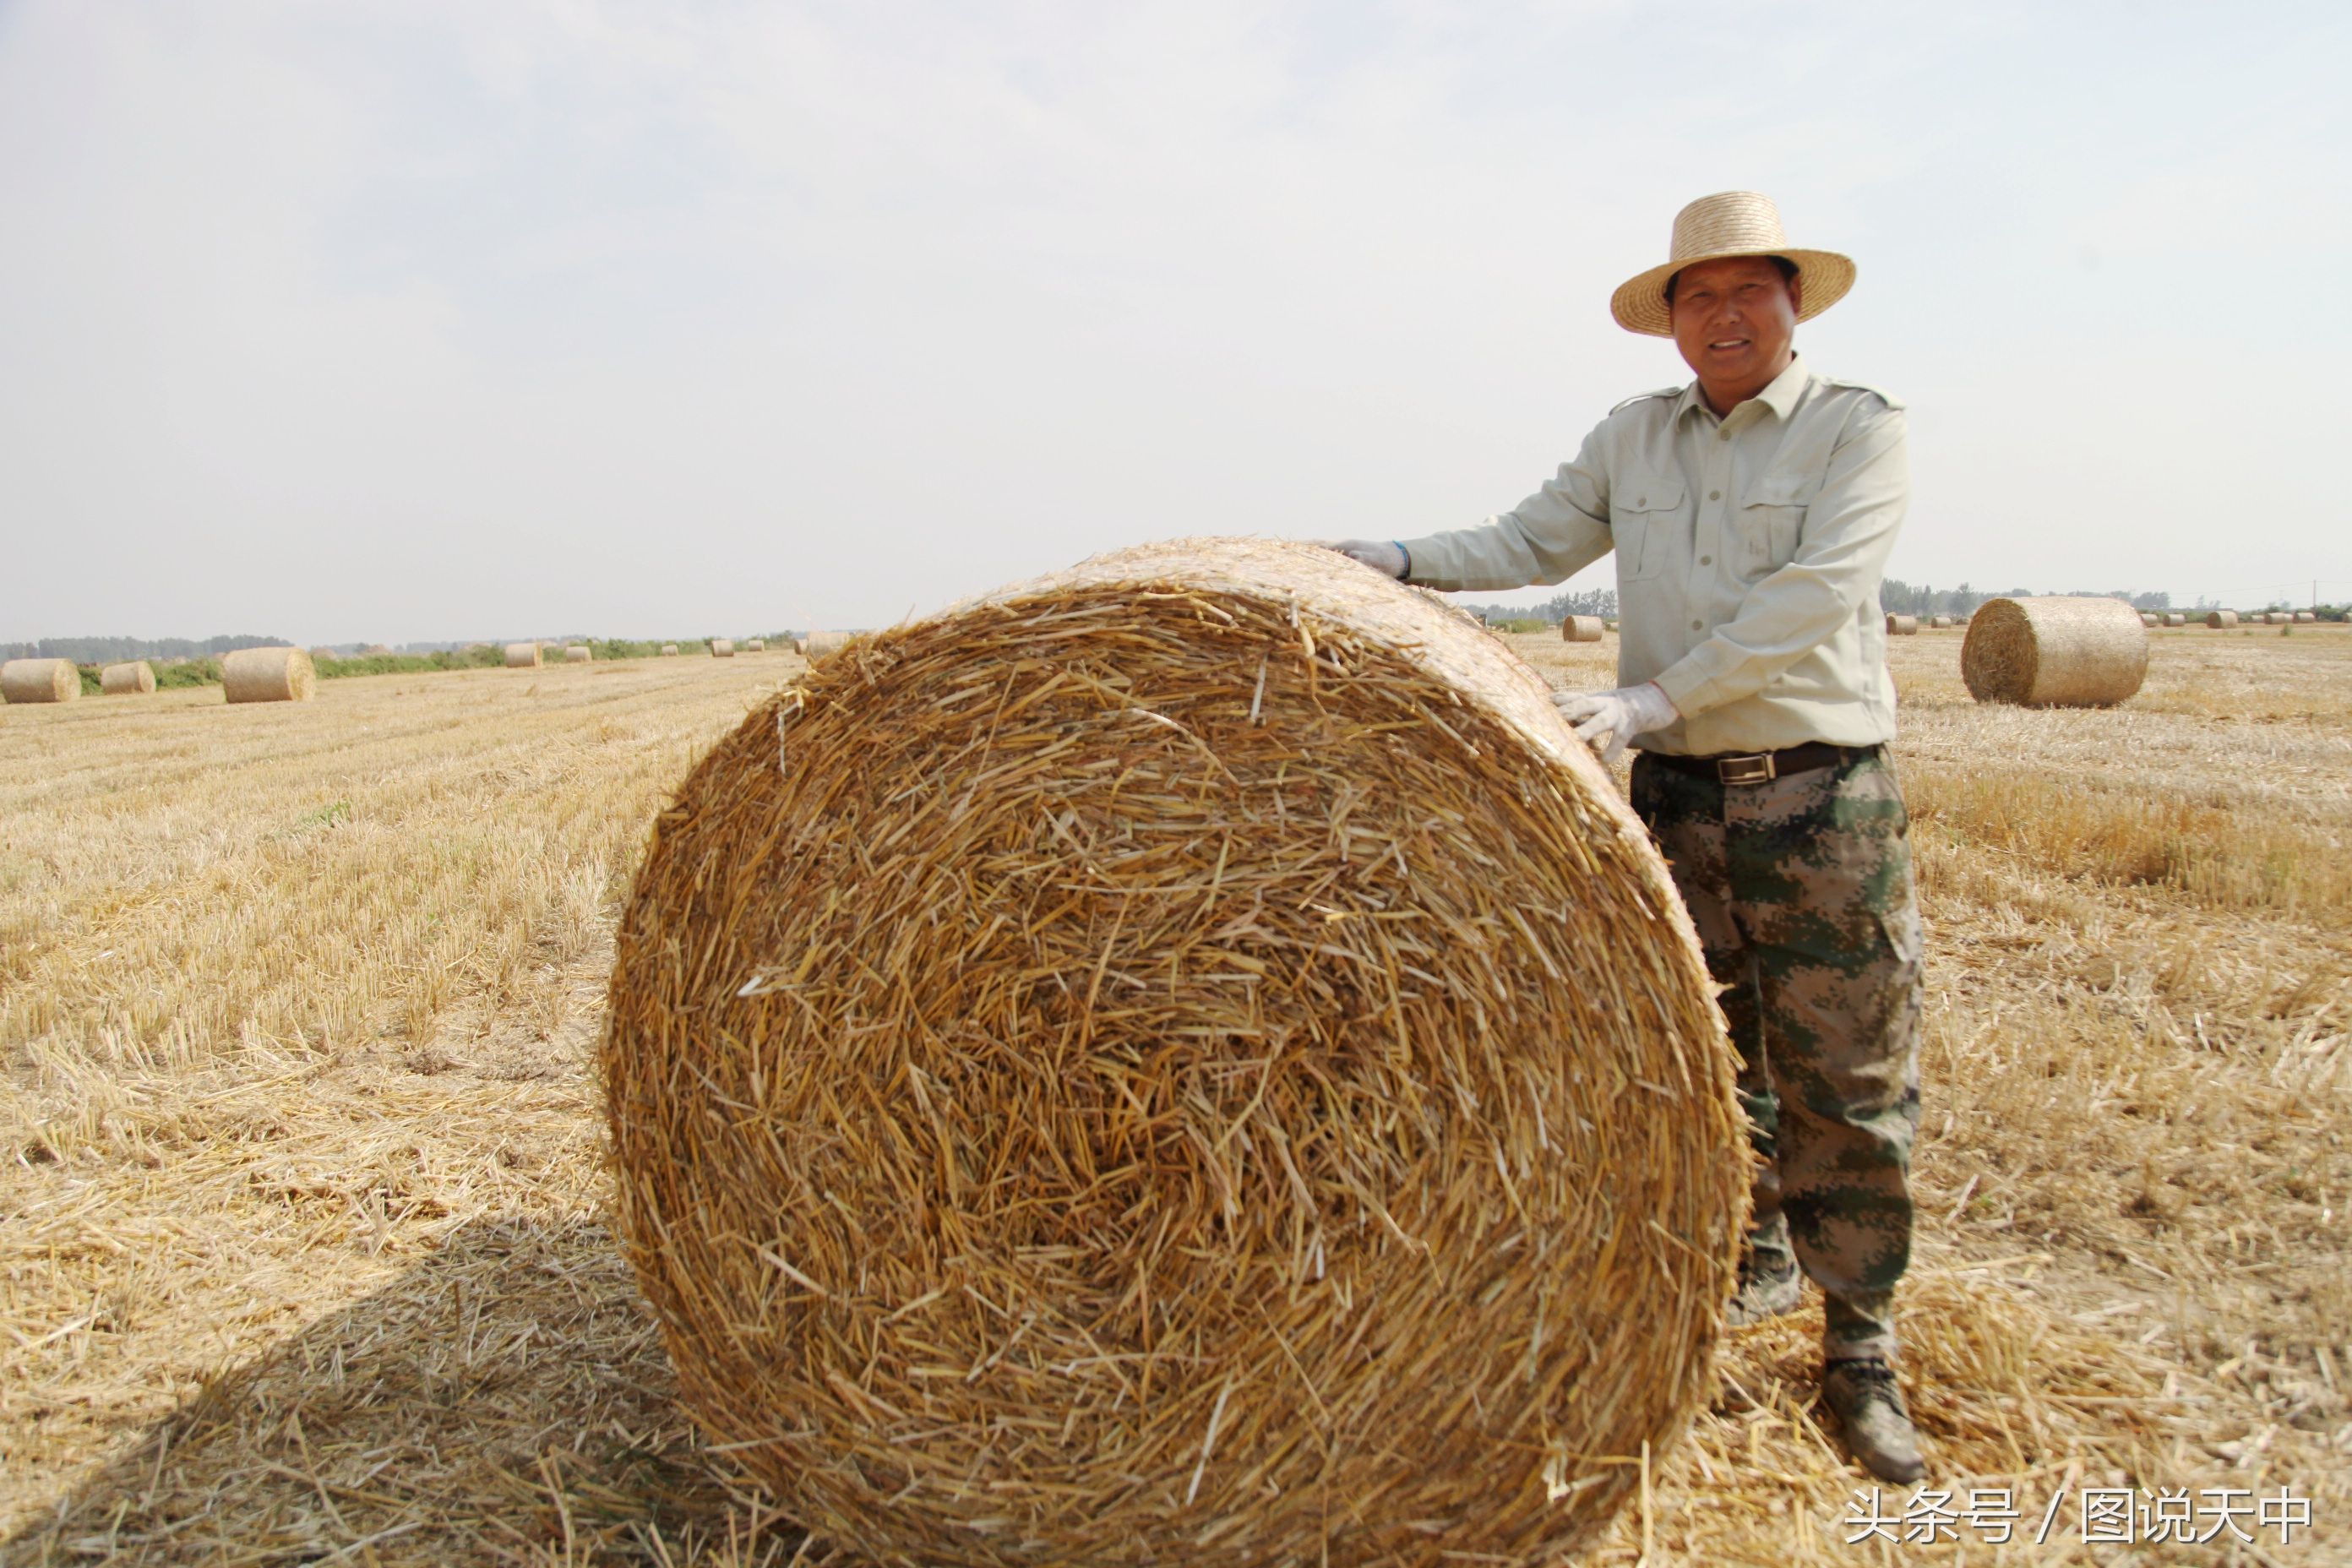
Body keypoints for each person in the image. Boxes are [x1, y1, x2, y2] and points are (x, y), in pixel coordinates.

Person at [1329, 190, 1925, 1484]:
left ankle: (1862, 1351)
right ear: (1669, 323)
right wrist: (1391, 557)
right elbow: (1530, 539)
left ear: (1791, 302)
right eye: (1696, 297)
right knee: (1704, 1066)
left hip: (1821, 795)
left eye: (1747, 291)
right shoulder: (1633, 439)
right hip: (1680, 803)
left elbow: (1819, 596)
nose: (1723, 315)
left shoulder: (1854, 432)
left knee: (1849, 1078)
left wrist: (1656, 695)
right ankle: (1737, 1270)